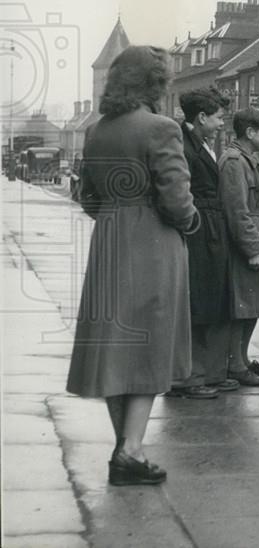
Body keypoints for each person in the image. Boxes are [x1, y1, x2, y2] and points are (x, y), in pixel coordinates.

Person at [66, 45, 199, 486]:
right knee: (149, 345)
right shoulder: (162, 128)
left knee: (116, 348)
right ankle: (130, 450)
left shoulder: (97, 131)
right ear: (155, 84)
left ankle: (124, 446)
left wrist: (115, 215)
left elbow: (87, 199)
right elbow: (178, 200)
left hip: (109, 242)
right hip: (152, 245)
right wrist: (190, 220)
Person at [166, 87, 237, 399]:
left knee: (209, 300)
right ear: (202, 117)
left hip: (209, 228)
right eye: (219, 118)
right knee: (198, 302)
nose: (222, 123)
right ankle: (188, 378)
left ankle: (206, 373)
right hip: (199, 230)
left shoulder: (198, 142)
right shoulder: (185, 146)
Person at [218, 107, 259, 386]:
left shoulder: (247, 159)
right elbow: (236, 210)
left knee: (253, 304)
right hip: (249, 240)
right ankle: (235, 364)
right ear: (250, 132)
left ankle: (240, 360)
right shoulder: (234, 161)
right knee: (243, 305)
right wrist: (253, 249)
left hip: (257, 234)